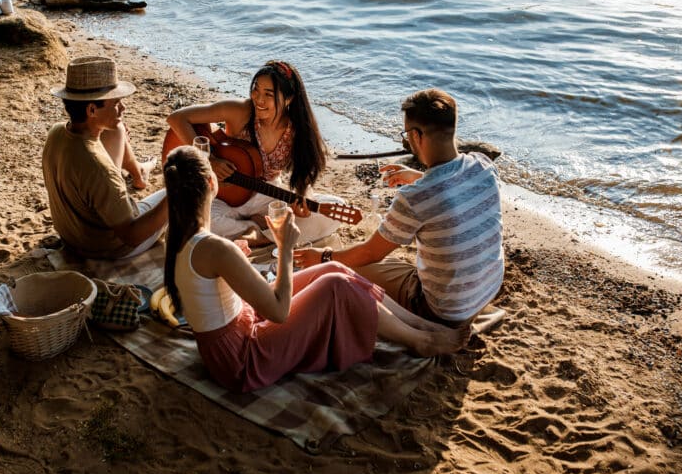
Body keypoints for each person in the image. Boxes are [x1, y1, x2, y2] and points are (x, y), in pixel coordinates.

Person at [162, 146, 470, 393]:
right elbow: (279, 312)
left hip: (233, 336)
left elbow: (211, 288)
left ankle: (421, 326)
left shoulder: (181, 238)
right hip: (244, 359)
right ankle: (420, 341)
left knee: (333, 268)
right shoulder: (215, 248)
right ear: (213, 184)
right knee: (336, 285)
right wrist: (284, 247)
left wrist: (238, 260)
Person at [295, 88, 503, 330]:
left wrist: (323, 257)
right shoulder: (483, 165)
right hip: (487, 290)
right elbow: (454, 190)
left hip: (443, 310)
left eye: (406, 135)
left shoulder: (415, 198)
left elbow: (370, 253)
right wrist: (419, 177)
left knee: (352, 267)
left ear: (416, 136)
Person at [166, 60, 339, 245]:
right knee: (190, 221)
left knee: (335, 209)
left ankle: (258, 234)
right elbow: (177, 118)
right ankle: (257, 230)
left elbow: (303, 174)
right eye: (256, 89)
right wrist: (209, 160)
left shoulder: (297, 130)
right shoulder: (239, 111)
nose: (259, 99)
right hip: (221, 197)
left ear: (288, 99)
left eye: (268, 94)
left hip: (267, 196)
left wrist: (304, 199)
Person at [42, 56, 167, 260]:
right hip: (107, 248)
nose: (123, 109)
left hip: (72, 235)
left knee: (117, 128)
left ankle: (140, 172)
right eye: (116, 103)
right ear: (92, 110)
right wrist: (177, 195)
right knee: (182, 195)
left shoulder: (57, 132)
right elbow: (131, 236)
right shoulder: (99, 169)